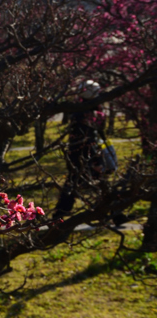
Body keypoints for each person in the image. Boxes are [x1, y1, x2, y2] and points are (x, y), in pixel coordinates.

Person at [54, 80, 106, 218]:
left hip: (78, 154)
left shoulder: (81, 110)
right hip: (84, 155)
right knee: (80, 184)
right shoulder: (86, 113)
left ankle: (60, 213)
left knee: (75, 184)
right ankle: (110, 213)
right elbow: (88, 139)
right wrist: (96, 159)